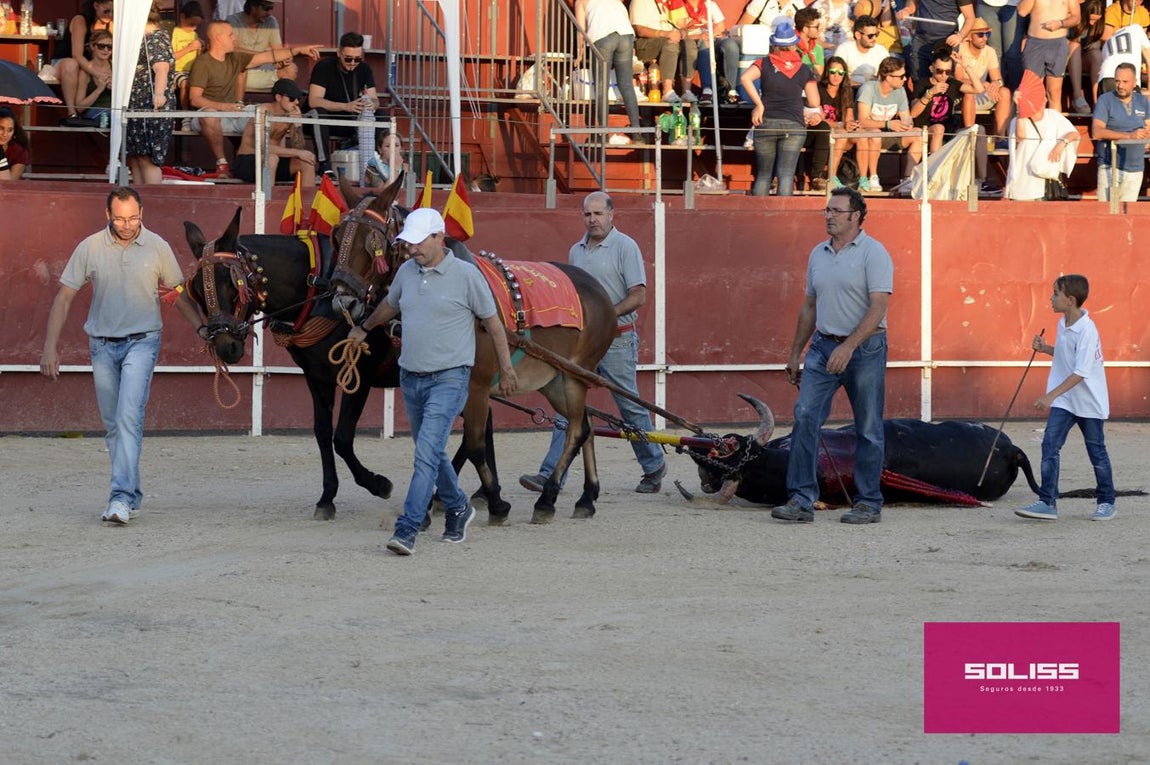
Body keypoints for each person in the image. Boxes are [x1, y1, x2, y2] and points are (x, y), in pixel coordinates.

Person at [346, 209, 518, 555]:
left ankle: (407, 529)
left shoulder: (467, 275)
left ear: (440, 237)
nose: (412, 249)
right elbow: (390, 306)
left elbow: (494, 323)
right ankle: (458, 506)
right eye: (409, 243)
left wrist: (507, 368)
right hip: (411, 377)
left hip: (450, 378)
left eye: (419, 242)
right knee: (433, 452)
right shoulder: (407, 272)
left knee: (425, 455)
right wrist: (364, 327)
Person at [39, 187, 202, 526]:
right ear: (107, 215)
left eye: (133, 217)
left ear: (142, 212)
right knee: (114, 424)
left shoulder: (157, 246)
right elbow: (64, 297)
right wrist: (49, 347)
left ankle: (120, 497)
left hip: (143, 342)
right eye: (120, 218)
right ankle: (133, 494)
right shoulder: (91, 247)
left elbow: (177, 293)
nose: (127, 225)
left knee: (128, 416)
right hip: (101, 344)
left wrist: (202, 330)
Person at [519, 191, 668, 496]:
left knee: (629, 406)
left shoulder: (625, 246)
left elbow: (638, 295)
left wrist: (604, 317)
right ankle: (550, 474)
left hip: (616, 338)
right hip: (583, 341)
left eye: (598, 214)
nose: (593, 220)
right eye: (588, 214)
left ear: (612, 215)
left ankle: (653, 465)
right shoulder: (577, 251)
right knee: (567, 403)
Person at [772, 186, 893, 525]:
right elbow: (810, 305)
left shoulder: (874, 253)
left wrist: (849, 345)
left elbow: (879, 306)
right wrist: (795, 351)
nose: (829, 216)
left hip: (865, 349)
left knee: (868, 427)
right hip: (824, 345)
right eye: (827, 210)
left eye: (836, 211)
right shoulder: (818, 253)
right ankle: (800, 499)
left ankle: (869, 501)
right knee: (805, 416)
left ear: (856, 216)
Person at [1015, 274, 1116, 522]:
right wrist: (1046, 348)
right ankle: (1047, 502)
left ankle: (1107, 502)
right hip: (1065, 400)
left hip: (1089, 401)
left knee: (1096, 452)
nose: (1051, 298)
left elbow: (1081, 372)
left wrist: (1049, 395)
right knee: (1049, 445)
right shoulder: (1063, 323)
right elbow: (1065, 355)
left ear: (1070, 300)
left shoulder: (1087, 330)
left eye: (1055, 294)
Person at [188, 20, 320, 178]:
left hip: (233, 112)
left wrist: (298, 50)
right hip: (206, 116)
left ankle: (267, 159)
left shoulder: (235, 58)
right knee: (210, 114)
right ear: (218, 38)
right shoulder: (203, 63)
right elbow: (195, 99)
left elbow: (266, 57)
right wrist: (223, 107)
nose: (235, 38)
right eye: (230, 35)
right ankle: (222, 163)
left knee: (263, 112)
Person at [740, 20, 823, 196]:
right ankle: (782, 218)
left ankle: (758, 217)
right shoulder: (804, 69)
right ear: (794, 45)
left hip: (766, 121)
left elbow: (745, 78)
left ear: (775, 44)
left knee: (763, 175)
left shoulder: (764, 63)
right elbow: (815, 102)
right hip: (794, 123)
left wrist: (759, 104)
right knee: (786, 175)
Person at [574, 0, 642, 146]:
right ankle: (637, 134)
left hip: (602, 36)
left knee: (601, 87)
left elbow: (580, 30)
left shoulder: (581, 1)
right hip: (626, 35)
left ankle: (603, 132)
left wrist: (579, 52)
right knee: (627, 85)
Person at [1005, 72, 1079, 200]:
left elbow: (1073, 133)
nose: (1044, 99)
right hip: (1023, 183)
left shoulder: (1053, 116)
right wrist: (1020, 108)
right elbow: (1020, 136)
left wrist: (1061, 144)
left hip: (1045, 181)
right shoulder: (1018, 120)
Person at [307, 32, 379, 162]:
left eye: (357, 59)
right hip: (328, 118)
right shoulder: (324, 67)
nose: (352, 63)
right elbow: (314, 101)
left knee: (382, 115)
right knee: (318, 113)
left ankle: (378, 163)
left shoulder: (364, 69)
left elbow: (375, 99)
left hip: (353, 120)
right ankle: (324, 165)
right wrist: (346, 106)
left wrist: (371, 104)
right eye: (348, 58)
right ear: (338, 53)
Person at [232, 78, 317, 187]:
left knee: (307, 163)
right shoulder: (263, 111)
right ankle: (268, 202)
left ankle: (308, 203)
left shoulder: (290, 114)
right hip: (248, 161)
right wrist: (297, 152)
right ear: (278, 97)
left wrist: (297, 124)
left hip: (274, 161)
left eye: (297, 99)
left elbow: (299, 147)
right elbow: (262, 147)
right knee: (271, 158)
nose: (296, 102)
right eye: (291, 98)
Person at [855, 56, 922, 192]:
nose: (904, 79)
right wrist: (888, 124)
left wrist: (907, 124)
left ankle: (907, 179)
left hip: (889, 134)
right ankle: (873, 176)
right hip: (866, 135)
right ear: (888, 77)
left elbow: (906, 116)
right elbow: (863, 121)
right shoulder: (868, 88)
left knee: (918, 134)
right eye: (901, 76)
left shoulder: (900, 90)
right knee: (875, 133)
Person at [126, 4, 175, 186]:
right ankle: (139, 199)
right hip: (137, 105)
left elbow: (161, 68)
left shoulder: (155, 38)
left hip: (150, 105)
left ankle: (152, 200)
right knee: (137, 158)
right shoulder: (143, 38)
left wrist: (159, 94)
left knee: (148, 158)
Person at [1091, 62, 1150, 202]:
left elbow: (1148, 127)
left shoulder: (1143, 101)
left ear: (1135, 82)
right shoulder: (1105, 99)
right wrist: (1129, 136)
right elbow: (1097, 132)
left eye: (1125, 82)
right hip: (1110, 166)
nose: (1120, 86)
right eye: (1117, 81)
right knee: (1106, 214)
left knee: (1126, 216)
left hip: (1135, 168)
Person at [802, 54, 857, 190]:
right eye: (833, 72)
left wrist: (850, 124)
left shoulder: (846, 91)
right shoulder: (818, 88)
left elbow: (848, 117)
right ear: (827, 72)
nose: (836, 76)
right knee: (826, 128)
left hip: (838, 132)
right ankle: (825, 177)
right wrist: (841, 125)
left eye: (840, 72)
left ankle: (863, 179)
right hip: (818, 130)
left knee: (853, 135)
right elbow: (820, 118)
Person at [908, 46, 977, 154]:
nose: (944, 75)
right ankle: (935, 169)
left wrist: (964, 65)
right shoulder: (922, 84)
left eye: (948, 71)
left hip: (947, 131)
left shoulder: (952, 83)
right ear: (931, 69)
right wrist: (930, 93)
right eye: (939, 71)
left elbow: (978, 89)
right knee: (939, 128)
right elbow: (913, 113)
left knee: (978, 130)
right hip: (925, 130)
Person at [55, 0, 114, 125]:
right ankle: (71, 112)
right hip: (64, 62)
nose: (110, 15)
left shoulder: (111, 25)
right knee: (72, 64)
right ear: (96, 5)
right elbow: (76, 54)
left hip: (88, 65)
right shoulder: (80, 20)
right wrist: (98, 74)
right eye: (107, 11)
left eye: (113, 12)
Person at [954, 17, 1013, 142]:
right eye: (980, 34)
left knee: (1005, 92)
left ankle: (1000, 138)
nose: (985, 38)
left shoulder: (989, 51)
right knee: (970, 92)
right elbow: (958, 78)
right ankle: (970, 136)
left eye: (988, 34)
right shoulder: (960, 49)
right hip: (961, 94)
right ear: (969, 36)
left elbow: (998, 78)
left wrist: (995, 84)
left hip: (981, 91)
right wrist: (981, 83)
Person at [1017, 0, 1079, 111]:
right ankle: (1034, 126)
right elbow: (1022, 11)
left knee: (1054, 93)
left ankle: (1054, 127)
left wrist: (1061, 23)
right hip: (1035, 44)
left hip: (1058, 44)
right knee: (1033, 92)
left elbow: (1076, 17)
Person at [897, 0, 976, 83]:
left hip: (946, 43)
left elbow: (970, 18)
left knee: (945, 82)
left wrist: (960, 36)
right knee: (919, 81)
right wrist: (906, 10)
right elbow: (913, 2)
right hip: (921, 40)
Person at [227, 0, 294, 91]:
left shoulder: (271, 21)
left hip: (263, 67)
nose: (269, 13)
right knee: (239, 72)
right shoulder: (233, 20)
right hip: (240, 68)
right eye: (266, 8)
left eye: (271, 8)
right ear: (253, 6)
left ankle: (283, 101)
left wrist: (283, 59)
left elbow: (277, 50)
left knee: (291, 68)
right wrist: (264, 56)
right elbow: (233, 49)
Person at [630, 0, 682, 102]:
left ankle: (689, 92)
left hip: (668, 39)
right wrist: (665, 34)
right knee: (670, 44)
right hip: (646, 43)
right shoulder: (639, 2)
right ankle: (667, 90)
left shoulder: (670, 2)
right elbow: (640, 30)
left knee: (690, 45)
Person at [1095, 19, 1150, 98]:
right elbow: (1149, 59)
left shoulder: (1107, 42)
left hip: (1104, 78)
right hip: (1126, 78)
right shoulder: (1137, 29)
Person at [1066, 0, 1104, 112]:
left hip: (1084, 59)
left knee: (1096, 54)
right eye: (1091, 19)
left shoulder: (1098, 26)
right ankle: (1077, 96)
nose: (1092, 23)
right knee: (1075, 46)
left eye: (1096, 20)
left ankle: (1097, 101)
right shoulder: (1072, 16)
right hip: (1066, 58)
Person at [834, 15, 890, 89]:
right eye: (870, 36)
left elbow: (889, 75)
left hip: (874, 90)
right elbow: (836, 76)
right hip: (850, 90)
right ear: (858, 35)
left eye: (876, 34)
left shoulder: (881, 51)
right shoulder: (844, 49)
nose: (874, 38)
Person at [73, 30, 114, 127]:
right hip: (96, 112)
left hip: (116, 110)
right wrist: (99, 89)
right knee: (109, 117)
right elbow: (79, 107)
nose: (105, 50)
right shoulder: (85, 72)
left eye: (109, 47)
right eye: (101, 46)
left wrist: (116, 89)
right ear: (92, 46)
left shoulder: (116, 67)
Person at [172, 1, 206, 108]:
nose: (194, 28)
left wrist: (202, 49)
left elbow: (198, 58)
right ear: (182, 17)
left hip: (192, 71)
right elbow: (170, 57)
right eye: (192, 24)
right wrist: (189, 48)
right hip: (177, 70)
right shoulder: (174, 33)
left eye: (197, 25)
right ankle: (185, 115)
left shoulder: (194, 34)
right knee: (185, 83)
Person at [795, 6, 826, 78]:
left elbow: (819, 75)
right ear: (805, 29)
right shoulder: (791, 47)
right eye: (816, 27)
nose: (819, 30)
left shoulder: (818, 48)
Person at [0, 106, 30, 180]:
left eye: (10, 130)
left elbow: (10, 183)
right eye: (1, 128)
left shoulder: (19, 151)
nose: (5, 134)